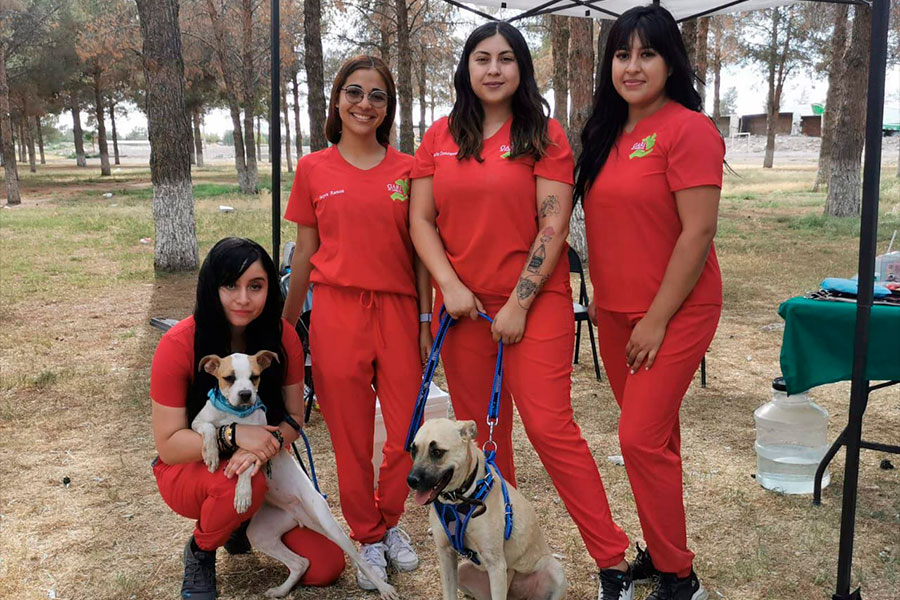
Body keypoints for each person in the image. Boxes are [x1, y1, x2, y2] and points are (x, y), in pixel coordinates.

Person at [409, 21, 632, 599]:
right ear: (466, 68)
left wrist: (518, 302)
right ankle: (494, 558)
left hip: (535, 305)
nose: (493, 69)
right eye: (481, 58)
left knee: (551, 429)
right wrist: (449, 286)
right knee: (482, 441)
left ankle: (612, 561)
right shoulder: (438, 137)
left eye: (506, 58)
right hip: (463, 311)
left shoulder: (544, 134)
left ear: (522, 69)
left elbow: (553, 226)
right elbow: (421, 221)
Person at [574, 6, 724, 600]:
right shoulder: (605, 132)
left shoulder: (689, 129)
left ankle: (680, 578)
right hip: (614, 312)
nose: (632, 67)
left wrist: (657, 320)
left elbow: (698, 232)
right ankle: (664, 555)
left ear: (671, 63)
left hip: (676, 310)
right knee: (656, 443)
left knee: (637, 439)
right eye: (621, 54)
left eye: (647, 54)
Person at [282, 55, 432, 592]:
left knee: (407, 431)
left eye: (377, 95)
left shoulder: (409, 169)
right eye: (354, 92)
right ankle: (366, 535)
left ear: (388, 107)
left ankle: (390, 521)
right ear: (337, 100)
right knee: (348, 435)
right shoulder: (313, 168)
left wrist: (424, 318)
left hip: (398, 311)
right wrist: (287, 325)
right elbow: (304, 252)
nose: (365, 104)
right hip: (337, 310)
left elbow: (421, 252)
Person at [150, 237, 345, 600]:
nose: (243, 298)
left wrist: (264, 447)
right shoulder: (179, 344)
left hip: (262, 466)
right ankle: (201, 550)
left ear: (270, 288)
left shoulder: (282, 338)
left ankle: (239, 523)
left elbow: (295, 418)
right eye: (230, 285)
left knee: (326, 566)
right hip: (191, 465)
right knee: (241, 484)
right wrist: (234, 436)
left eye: (255, 286)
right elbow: (169, 445)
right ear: (212, 287)